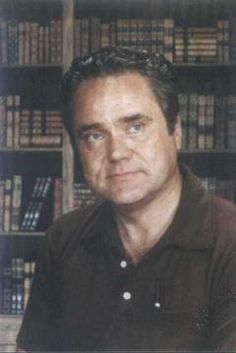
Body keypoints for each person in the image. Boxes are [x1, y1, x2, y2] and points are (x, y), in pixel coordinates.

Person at [17, 47, 236, 352]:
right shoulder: (63, 238)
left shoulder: (230, 239)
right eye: (94, 135)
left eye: (135, 127)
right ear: (77, 149)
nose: (117, 152)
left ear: (176, 131)